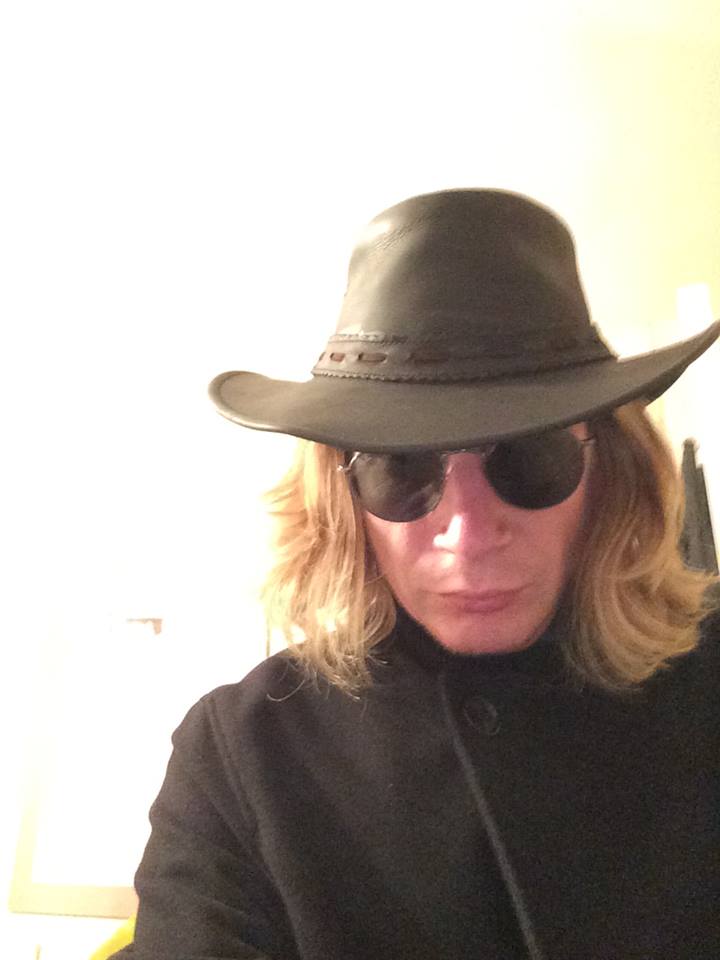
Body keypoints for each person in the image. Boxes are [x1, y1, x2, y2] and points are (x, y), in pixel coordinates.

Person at [113, 189, 720, 959]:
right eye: (401, 470)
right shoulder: (240, 757)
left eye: (531, 456)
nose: (468, 534)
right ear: (342, 497)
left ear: (610, 471)